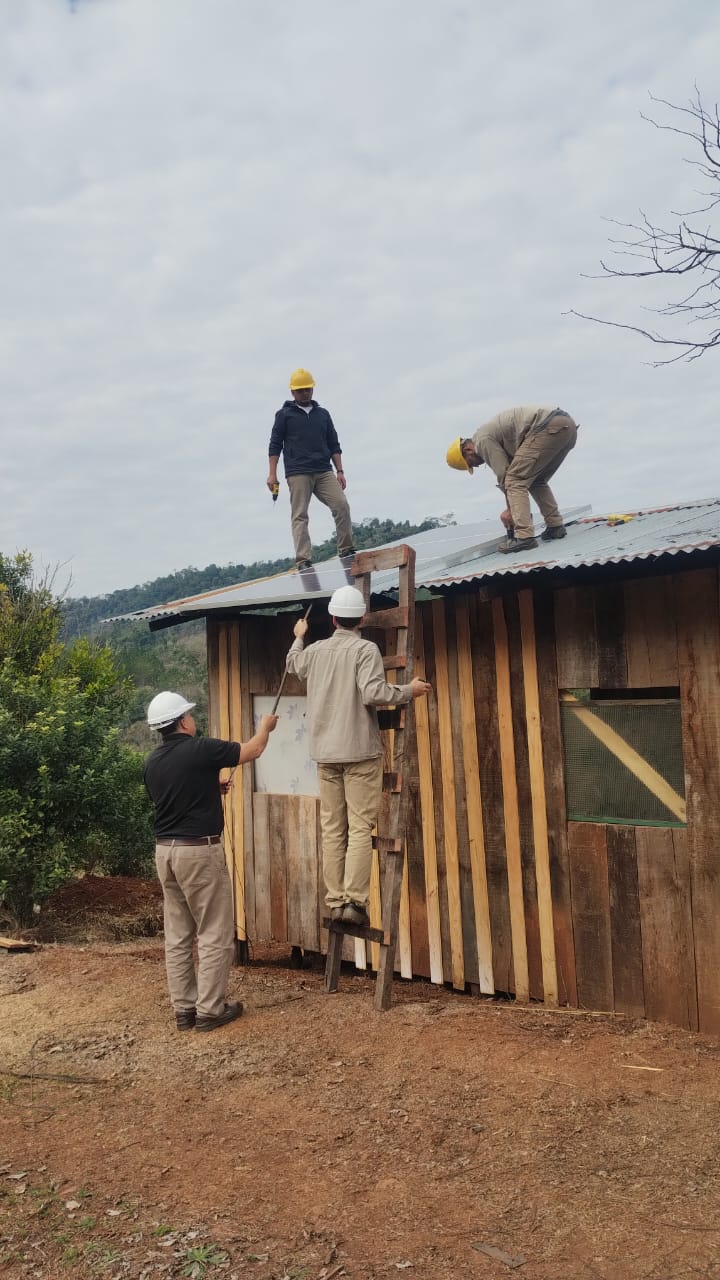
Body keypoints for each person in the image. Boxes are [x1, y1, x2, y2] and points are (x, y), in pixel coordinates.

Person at [285, 586, 431, 927]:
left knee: (333, 829)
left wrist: (298, 636)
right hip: (359, 752)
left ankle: (336, 901)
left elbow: (293, 664)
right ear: (362, 619)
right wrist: (410, 690)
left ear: (333, 618)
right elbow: (374, 693)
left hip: (325, 755)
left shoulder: (315, 650)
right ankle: (355, 903)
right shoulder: (366, 650)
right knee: (361, 827)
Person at [144, 691, 278, 1033]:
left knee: (178, 935)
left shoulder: (153, 762)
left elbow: (173, 797)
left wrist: (209, 786)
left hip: (165, 852)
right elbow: (253, 750)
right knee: (214, 931)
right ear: (182, 721)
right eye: (189, 715)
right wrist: (265, 727)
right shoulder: (201, 749)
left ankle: (185, 1010)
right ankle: (210, 1010)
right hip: (198, 852)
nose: (193, 719)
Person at [446, 405, 578, 553]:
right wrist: (514, 509)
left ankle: (525, 537)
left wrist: (511, 511)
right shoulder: (491, 436)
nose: (475, 466)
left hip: (547, 427)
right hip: (566, 427)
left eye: (470, 463)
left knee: (515, 480)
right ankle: (555, 526)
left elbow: (505, 475)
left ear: (468, 450)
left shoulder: (481, 441)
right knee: (536, 480)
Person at [267, 368, 355, 570]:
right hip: (298, 472)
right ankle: (303, 560)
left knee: (341, 504)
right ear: (293, 392)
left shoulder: (322, 414)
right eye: (300, 390)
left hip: (323, 470)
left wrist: (340, 471)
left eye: (308, 389)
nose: (305, 393)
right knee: (300, 514)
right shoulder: (284, 415)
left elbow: (334, 443)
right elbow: (275, 445)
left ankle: (346, 549)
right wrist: (272, 474)